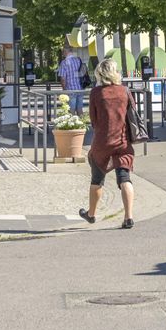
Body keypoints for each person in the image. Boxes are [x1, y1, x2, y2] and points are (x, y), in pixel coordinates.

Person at [77, 58, 137, 229]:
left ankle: (91, 214)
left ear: (100, 74)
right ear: (115, 72)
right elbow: (132, 113)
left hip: (102, 141)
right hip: (122, 140)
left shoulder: (96, 93)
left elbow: (94, 120)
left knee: (97, 179)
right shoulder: (124, 91)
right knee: (125, 177)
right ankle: (128, 217)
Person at [58, 46, 86, 114]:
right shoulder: (78, 60)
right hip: (80, 88)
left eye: (63, 52)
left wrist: (64, 90)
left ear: (66, 52)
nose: (62, 53)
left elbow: (63, 78)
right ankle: (82, 123)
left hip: (70, 89)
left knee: (71, 110)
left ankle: (72, 124)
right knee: (80, 109)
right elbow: (83, 73)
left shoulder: (64, 63)